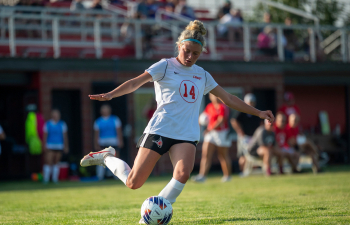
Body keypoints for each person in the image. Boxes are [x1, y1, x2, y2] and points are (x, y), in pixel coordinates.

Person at [79, 20, 274, 224]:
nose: (190, 57)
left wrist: (258, 112)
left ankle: (150, 218)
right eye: (187, 51)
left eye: (195, 54)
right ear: (180, 45)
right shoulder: (164, 65)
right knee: (133, 182)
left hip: (186, 134)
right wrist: (111, 94)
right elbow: (135, 82)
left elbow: (229, 99)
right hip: (160, 130)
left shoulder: (203, 75)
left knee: (182, 173)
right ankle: (107, 157)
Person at [191, 93, 232, 183]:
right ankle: (202, 176)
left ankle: (227, 176)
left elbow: (221, 120)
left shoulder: (223, 107)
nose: (215, 97)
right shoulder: (209, 106)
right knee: (206, 155)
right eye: (213, 95)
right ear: (210, 97)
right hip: (211, 133)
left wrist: (209, 129)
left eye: (216, 95)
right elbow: (203, 117)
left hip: (222, 133)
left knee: (222, 156)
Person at [231, 93, 262, 172]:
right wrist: (239, 130)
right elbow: (233, 121)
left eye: (252, 102)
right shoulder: (242, 111)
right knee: (243, 156)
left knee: (253, 154)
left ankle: (252, 171)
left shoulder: (256, 112)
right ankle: (242, 171)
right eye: (249, 102)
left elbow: (261, 123)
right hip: (244, 137)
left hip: (253, 138)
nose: (251, 104)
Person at [94, 104, 124, 181]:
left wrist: (120, 141)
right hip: (102, 142)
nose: (105, 111)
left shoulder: (115, 119)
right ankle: (100, 176)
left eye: (106, 109)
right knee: (102, 159)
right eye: (103, 109)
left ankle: (117, 176)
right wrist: (96, 144)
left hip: (114, 141)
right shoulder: (98, 121)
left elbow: (119, 131)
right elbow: (96, 134)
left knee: (115, 158)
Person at [42, 109, 69, 184]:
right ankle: (46, 179)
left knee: (56, 162)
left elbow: (65, 136)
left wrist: (66, 146)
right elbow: (45, 136)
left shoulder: (62, 124)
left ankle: (55, 179)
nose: (56, 116)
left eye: (57, 114)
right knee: (48, 162)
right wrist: (44, 145)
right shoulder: (47, 124)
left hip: (59, 145)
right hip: (50, 145)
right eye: (54, 114)